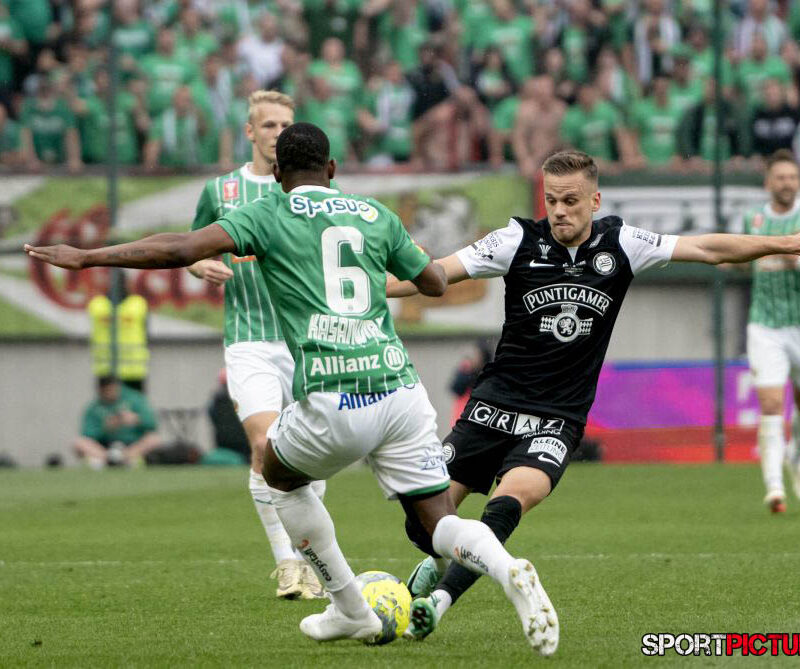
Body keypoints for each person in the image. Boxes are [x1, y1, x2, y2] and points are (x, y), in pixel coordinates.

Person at [26, 122, 561, 656]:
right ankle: (506, 566)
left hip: (335, 395)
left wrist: (88, 257)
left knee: (277, 475)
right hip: (400, 391)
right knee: (440, 520)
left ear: (277, 173)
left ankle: (350, 608)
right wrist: (394, 256)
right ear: (332, 169)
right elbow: (435, 283)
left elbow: (182, 248)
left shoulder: (268, 212)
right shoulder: (374, 213)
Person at [386, 149, 800, 642]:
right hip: (491, 408)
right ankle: (436, 559)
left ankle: (437, 603)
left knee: (508, 504)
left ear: (595, 201)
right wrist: (361, 288)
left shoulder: (622, 243)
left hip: (556, 418)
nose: (559, 211)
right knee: (424, 526)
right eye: (552, 200)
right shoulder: (516, 240)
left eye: (571, 201)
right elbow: (435, 274)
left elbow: (708, 248)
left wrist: (787, 242)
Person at [188, 90, 325, 601]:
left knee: (310, 455)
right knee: (264, 446)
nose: (277, 134)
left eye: (285, 125)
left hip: (307, 339)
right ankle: (287, 563)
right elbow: (192, 247)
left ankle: (313, 562)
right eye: (268, 125)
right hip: (249, 339)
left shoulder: (313, 189)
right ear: (249, 132)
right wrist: (200, 265)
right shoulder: (222, 190)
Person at [743, 149, 800, 513]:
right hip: (765, 324)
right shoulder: (754, 219)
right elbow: (742, 260)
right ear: (768, 183)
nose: (787, 183)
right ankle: (774, 486)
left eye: (792, 177)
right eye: (780, 177)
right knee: (772, 403)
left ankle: (795, 458)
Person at [73, 376, 161, 469]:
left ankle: (124, 459)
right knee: (79, 442)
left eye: (113, 389)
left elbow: (152, 424)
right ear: (100, 390)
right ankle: (109, 460)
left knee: (154, 439)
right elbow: (86, 434)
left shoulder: (135, 399)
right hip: (105, 446)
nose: (111, 393)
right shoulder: (94, 407)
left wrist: (136, 419)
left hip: (131, 443)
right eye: (107, 391)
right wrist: (105, 428)